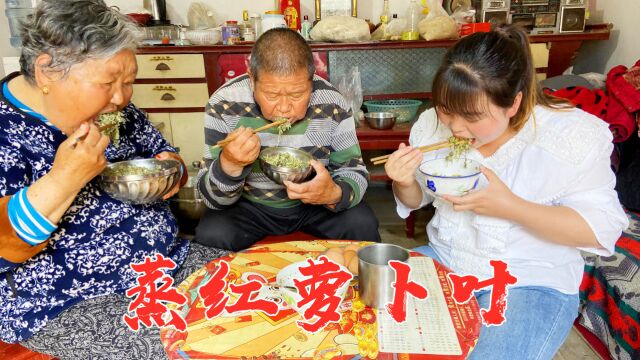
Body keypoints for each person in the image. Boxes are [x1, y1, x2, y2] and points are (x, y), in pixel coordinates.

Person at [385, 26, 628, 359]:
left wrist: (511, 207)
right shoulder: (430, 125)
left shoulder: (569, 136)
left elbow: (600, 229)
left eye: (472, 115)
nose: (455, 127)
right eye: (446, 109)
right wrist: (403, 181)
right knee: (363, 336)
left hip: (529, 280)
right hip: (446, 259)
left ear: (513, 103)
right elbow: (418, 200)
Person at [0, 1, 225, 358]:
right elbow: (5, 247)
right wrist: (65, 179)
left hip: (165, 263)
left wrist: (172, 171)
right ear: (47, 71)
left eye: (128, 82)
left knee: (262, 291)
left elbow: (168, 157)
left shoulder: (117, 110)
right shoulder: (7, 132)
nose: (121, 97)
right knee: (201, 345)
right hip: (68, 301)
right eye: (107, 83)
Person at [195, 28, 380, 251]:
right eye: (272, 95)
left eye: (297, 94)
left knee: (362, 224)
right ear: (252, 79)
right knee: (212, 233)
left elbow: (355, 170)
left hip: (314, 206)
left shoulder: (333, 103)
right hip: (249, 206)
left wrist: (333, 193)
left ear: (312, 81)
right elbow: (211, 199)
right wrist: (229, 166)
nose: (283, 108)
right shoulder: (223, 104)